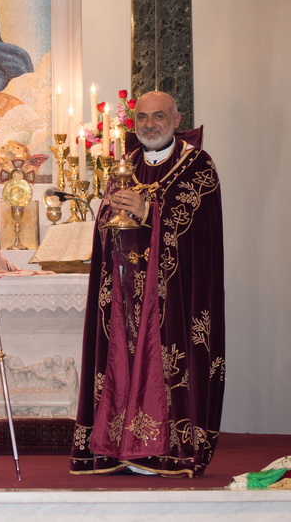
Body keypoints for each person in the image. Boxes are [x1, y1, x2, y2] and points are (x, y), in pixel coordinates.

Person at [69, 91, 225, 478]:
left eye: (158, 116)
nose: (149, 125)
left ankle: (169, 449)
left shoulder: (198, 165)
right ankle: (118, 446)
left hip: (175, 297)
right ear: (132, 122)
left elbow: (198, 228)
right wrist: (114, 216)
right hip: (124, 294)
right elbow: (105, 221)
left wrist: (149, 211)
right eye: (142, 118)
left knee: (164, 368)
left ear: (176, 118)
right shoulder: (127, 165)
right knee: (120, 362)